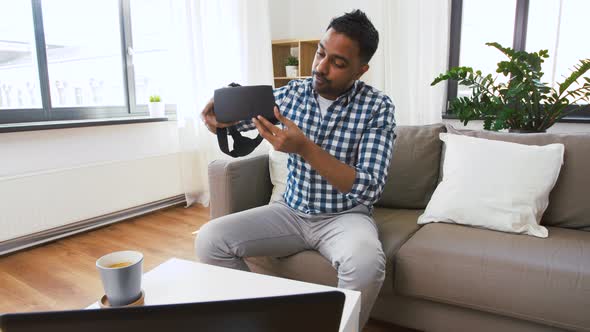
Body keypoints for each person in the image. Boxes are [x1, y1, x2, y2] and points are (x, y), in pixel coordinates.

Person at [197, 9, 395, 329]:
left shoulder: (377, 107)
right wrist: (216, 121)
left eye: (338, 63)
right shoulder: (293, 93)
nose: (320, 67)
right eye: (320, 52)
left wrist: (304, 148)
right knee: (209, 240)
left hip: (345, 216)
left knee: (366, 265)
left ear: (361, 70)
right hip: (290, 211)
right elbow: (241, 122)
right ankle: (257, 319)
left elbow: (370, 186)